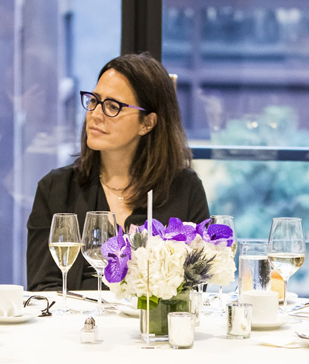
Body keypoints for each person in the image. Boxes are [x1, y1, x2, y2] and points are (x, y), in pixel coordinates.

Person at [26, 52, 210, 292]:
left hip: (152, 329)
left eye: (112, 106)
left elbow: (196, 287)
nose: (95, 114)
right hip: (78, 328)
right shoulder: (55, 189)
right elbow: (43, 288)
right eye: (94, 100)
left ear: (147, 123)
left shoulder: (184, 189)